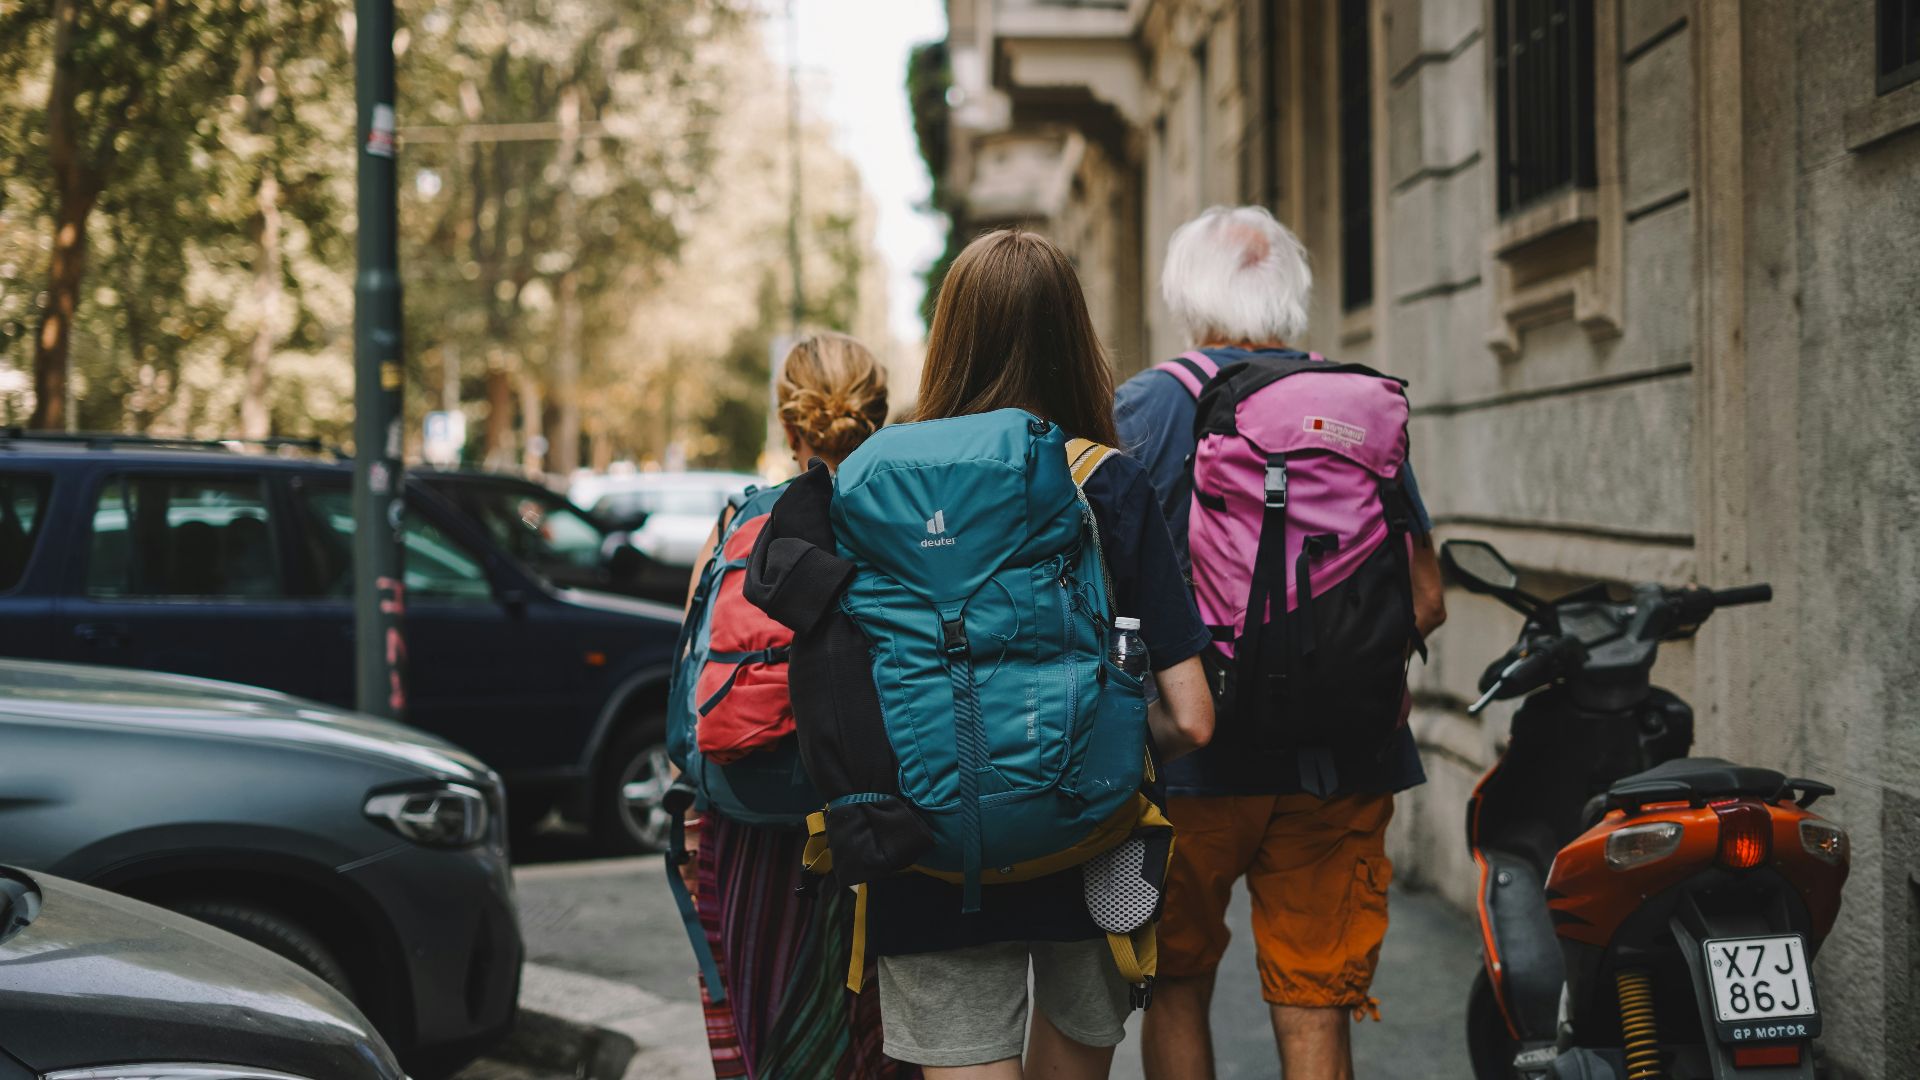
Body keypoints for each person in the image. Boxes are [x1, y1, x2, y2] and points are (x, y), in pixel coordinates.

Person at [860, 229, 1216, 1079]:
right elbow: (1196, 719)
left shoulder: (877, 484)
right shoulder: (1107, 481)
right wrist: (1105, 747)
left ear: (951, 338)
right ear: (1073, 337)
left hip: (926, 850)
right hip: (1091, 850)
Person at [1118, 207, 1447, 1080]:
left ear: (1186, 297)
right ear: (1290, 296)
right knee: (1314, 1005)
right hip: (1343, 765)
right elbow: (1427, 596)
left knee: (1178, 983)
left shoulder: (1151, 404)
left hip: (1193, 763)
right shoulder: (1356, 406)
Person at [680, 332, 917, 1079]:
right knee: (888, 1036)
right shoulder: (911, 522)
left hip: (753, 826)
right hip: (882, 819)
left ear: (788, 427)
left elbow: (690, 681)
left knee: (776, 1033)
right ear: (879, 415)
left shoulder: (735, 522)